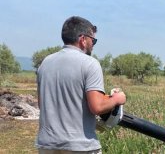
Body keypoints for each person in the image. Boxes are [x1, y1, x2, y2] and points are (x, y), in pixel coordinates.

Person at [36, 16, 126, 153]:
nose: (93, 45)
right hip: (80, 146)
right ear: (83, 39)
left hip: (47, 145)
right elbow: (98, 106)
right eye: (93, 40)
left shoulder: (45, 63)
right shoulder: (89, 63)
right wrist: (117, 98)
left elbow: (42, 105)